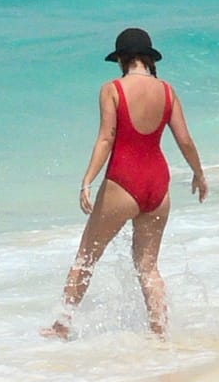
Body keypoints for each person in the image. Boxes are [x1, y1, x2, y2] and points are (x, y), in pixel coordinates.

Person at [42, 28, 208, 340]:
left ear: (121, 59)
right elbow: (185, 139)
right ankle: (160, 331)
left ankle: (62, 325)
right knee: (148, 266)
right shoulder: (168, 91)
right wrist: (199, 174)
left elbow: (107, 138)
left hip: (124, 180)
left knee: (87, 256)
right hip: (158, 184)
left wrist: (87, 181)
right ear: (148, 59)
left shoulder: (113, 89)